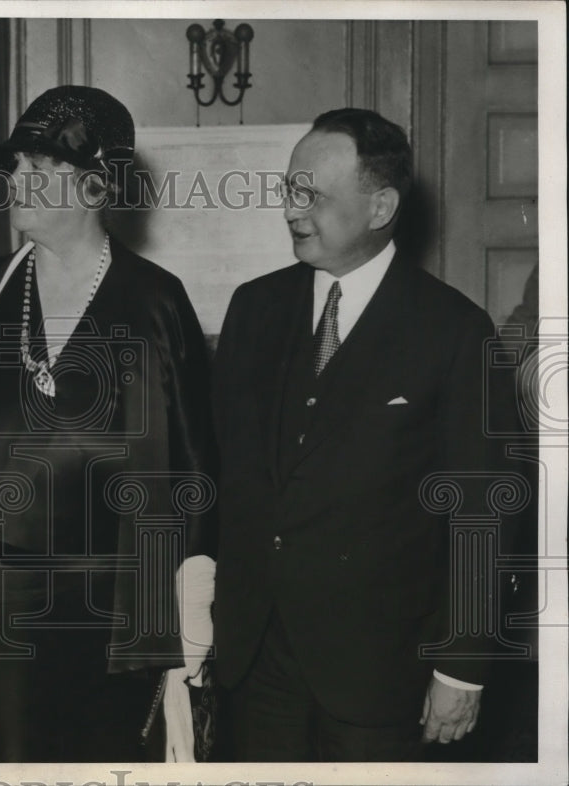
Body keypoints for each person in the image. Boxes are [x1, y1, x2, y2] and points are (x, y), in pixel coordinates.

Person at [0, 85, 217, 762]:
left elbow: (192, 467)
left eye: (40, 168)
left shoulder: (154, 302)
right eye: (16, 167)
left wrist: (188, 620)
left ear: (97, 186)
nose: (17, 181)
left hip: (110, 610)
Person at [212, 108, 509, 761]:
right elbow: (225, 475)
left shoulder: (455, 330)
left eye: (309, 194)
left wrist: (463, 666)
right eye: (288, 189)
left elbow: (482, 513)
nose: (291, 210)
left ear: (380, 207)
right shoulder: (253, 308)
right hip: (254, 658)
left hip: (381, 672)